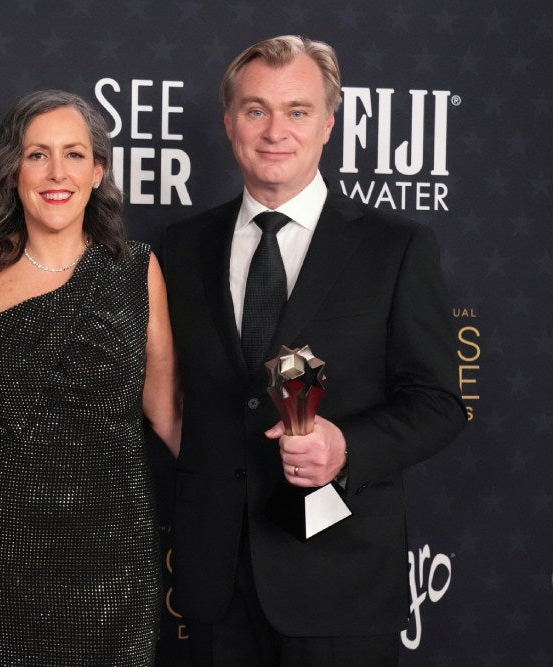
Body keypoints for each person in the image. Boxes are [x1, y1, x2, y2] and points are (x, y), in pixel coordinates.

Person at [161, 36, 466, 665]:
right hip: (213, 584)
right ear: (228, 122)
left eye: (297, 111)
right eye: (255, 110)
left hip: (341, 586)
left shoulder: (396, 247)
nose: (276, 130)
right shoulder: (179, 249)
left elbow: (439, 402)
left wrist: (346, 447)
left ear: (329, 123)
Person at [0, 89, 181, 666]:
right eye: (36, 154)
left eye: (74, 155)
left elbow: (167, 410)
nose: (56, 173)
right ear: (11, 171)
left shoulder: (135, 269)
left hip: (111, 556)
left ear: (98, 171)